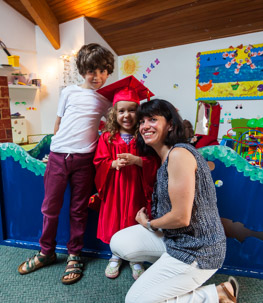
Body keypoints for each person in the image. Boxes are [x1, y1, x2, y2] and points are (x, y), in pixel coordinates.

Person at [110, 99, 239, 302]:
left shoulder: (179, 154)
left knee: (135, 301)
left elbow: (181, 217)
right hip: (176, 238)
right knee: (119, 242)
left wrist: (149, 224)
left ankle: (217, 294)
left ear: (170, 125)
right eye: (142, 121)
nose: (145, 126)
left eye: (153, 119)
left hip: (199, 248)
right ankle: (170, 271)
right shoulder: (163, 158)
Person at [17, 43, 114, 285]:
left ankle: (74, 254)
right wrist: (54, 152)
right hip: (59, 157)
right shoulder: (69, 92)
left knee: (78, 210)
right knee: (49, 208)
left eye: (103, 71)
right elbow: (58, 125)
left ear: (108, 72)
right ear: (82, 70)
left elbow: (113, 125)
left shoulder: (106, 99)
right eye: (92, 70)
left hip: (85, 160)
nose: (97, 76)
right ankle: (46, 252)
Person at [93, 76, 160, 280]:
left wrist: (137, 160)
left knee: (134, 218)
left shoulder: (144, 136)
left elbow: (154, 162)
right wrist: (112, 164)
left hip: (136, 188)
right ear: (114, 113)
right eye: (121, 111)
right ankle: (115, 255)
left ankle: (136, 258)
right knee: (115, 220)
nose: (127, 115)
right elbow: (98, 161)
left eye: (132, 110)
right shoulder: (107, 137)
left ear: (139, 113)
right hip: (115, 187)